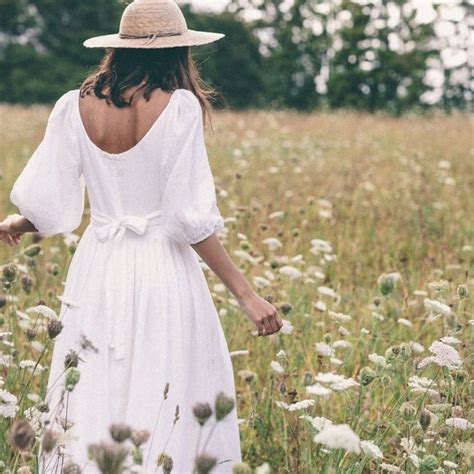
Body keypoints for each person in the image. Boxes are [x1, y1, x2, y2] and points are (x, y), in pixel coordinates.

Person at [0, 0, 283, 472]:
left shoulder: (75, 105)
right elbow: (189, 220)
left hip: (99, 265)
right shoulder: (179, 107)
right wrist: (247, 294)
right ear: (177, 53)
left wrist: (17, 222)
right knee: (166, 383)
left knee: (92, 385)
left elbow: (50, 202)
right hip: (161, 267)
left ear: (121, 50)